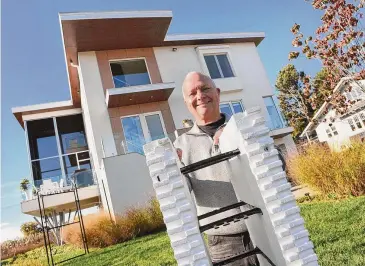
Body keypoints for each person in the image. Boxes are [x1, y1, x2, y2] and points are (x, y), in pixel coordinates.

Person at [173, 72, 259, 266]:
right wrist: (171, 172)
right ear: (187, 102)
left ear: (218, 93)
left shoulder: (244, 127)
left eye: (205, 89)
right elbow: (179, 195)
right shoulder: (180, 146)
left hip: (267, 226)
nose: (200, 96)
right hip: (223, 246)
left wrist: (236, 136)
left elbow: (277, 164)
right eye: (192, 93)